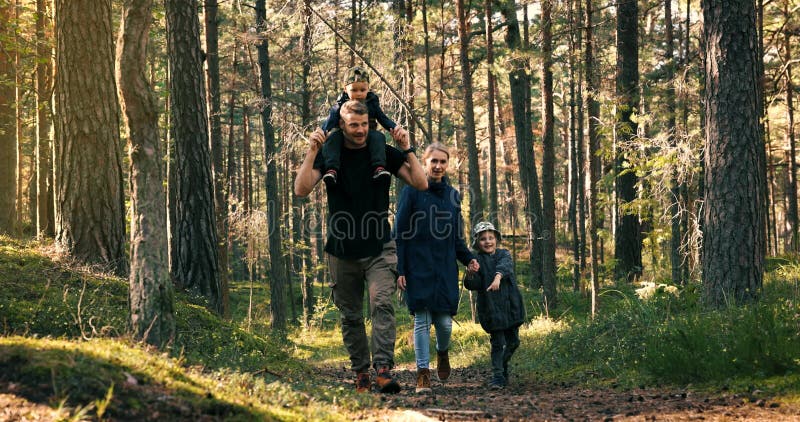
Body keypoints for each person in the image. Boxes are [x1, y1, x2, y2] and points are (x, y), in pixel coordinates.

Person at [294, 100, 427, 394]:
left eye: (365, 124)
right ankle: (361, 373)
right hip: (341, 250)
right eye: (354, 125)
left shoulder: (381, 152)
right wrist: (312, 151)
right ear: (341, 125)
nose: (360, 130)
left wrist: (407, 148)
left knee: (382, 303)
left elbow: (420, 183)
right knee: (351, 315)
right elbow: (301, 189)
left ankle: (382, 369)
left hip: (380, 246)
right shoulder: (330, 153)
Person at [394, 143, 480, 393]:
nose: (438, 166)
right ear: (425, 162)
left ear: (447, 164)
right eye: (434, 161)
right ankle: (423, 373)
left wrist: (469, 259)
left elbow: (456, 238)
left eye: (443, 161)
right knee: (422, 320)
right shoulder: (411, 191)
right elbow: (399, 232)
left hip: (444, 268)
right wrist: (400, 268)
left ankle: (442, 353)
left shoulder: (453, 196)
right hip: (417, 266)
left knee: (444, 324)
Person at [320, 65, 407, 186]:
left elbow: (382, 117)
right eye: (354, 90)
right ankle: (332, 169)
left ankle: (379, 168)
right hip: (345, 136)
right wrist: (322, 132)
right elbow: (331, 120)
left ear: (368, 89)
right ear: (345, 89)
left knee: (378, 137)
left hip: (368, 133)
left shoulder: (372, 102)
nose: (359, 94)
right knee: (333, 138)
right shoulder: (340, 105)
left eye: (362, 90)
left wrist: (395, 127)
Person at [464, 221, 526, 389]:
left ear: (496, 239)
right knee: (497, 343)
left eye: (491, 238)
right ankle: (497, 375)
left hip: (510, 305)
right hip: (491, 308)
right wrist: (470, 274)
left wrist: (497, 277)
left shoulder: (504, 254)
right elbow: (472, 285)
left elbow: (505, 266)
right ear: (477, 242)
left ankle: (503, 365)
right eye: (483, 239)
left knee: (513, 342)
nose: (488, 241)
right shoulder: (476, 259)